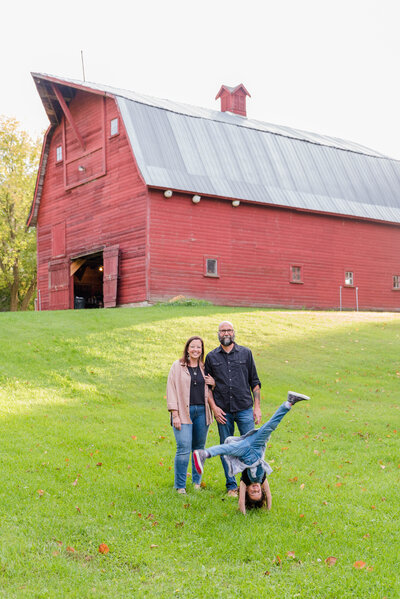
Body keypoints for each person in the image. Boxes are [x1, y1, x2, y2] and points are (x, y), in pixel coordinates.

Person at [194, 391, 309, 513]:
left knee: (227, 449)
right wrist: (268, 510)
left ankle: (204, 454)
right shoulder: (262, 479)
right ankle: (289, 402)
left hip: (244, 450)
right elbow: (269, 495)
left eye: (253, 492)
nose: (255, 489)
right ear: (261, 490)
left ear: (247, 490)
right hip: (256, 444)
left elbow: (241, 500)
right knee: (270, 426)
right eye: (258, 491)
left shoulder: (245, 481)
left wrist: (243, 512)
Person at [204, 321, 261, 496]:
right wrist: (213, 408)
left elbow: (255, 382)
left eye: (229, 330)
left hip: (244, 407)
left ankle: (251, 483)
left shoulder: (246, 353)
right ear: (218, 334)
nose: (226, 333)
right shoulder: (212, 357)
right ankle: (231, 486)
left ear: (234, 332)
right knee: (226, 448)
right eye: (222, 331)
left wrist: (257, 407)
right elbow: (207, 386)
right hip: (223, 411)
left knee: (250, 446)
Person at [166, 336, 214, 494]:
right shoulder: (177, 366)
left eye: (199, 347)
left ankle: (196, 483)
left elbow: (210, 391)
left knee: (199, 449)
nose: (195, 350)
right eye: (192, 347)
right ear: (187, 348)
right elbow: (171, 390)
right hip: (183, 413)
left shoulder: (205, 367)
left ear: (202, 350)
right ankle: (180, 486)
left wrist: (213, 384)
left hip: (202, 412)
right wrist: (175, 414)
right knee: (183, 447)